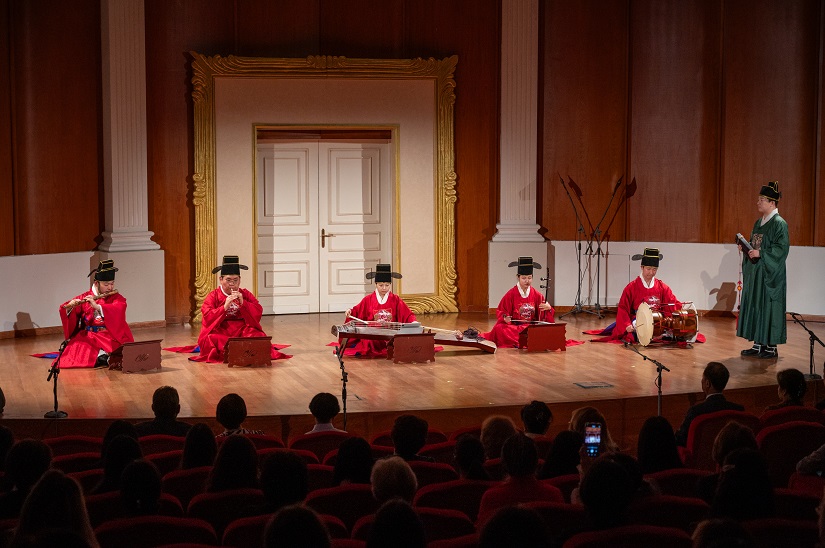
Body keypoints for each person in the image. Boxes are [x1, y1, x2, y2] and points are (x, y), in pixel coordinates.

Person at [192, 255, 289, 363]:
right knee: (211, 338)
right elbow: (207, 316)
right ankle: (240, 353)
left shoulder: (245, 294)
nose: (232, 283)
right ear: (221, 280)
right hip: (221, 329)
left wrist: (243, 303)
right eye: (228, 280)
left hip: (242, 329)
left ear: (240, 280)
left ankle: (246, 353)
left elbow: (258, 311)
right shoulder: (213, 295)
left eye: (235, 280)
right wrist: (224, 307)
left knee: (259, 336)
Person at [737, 181, 789, 359]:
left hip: (770, 275)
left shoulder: (779, 223)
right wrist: (746, 249)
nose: (758, 202)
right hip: (757, 273)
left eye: (762, 200)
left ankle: (771, 347)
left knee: (769, 306)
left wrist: (761, 253)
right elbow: (755, 245)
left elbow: (781, 249)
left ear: (772, 203)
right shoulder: (759, 222)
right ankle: (758, 343)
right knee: (756, 305)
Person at [56, 259, 134, 368]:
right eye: (106, 284)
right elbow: (65, 309)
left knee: (125, 352)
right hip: (90, 336)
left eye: (112, 284)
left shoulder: (117, 298)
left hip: (109, 335)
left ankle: (104, 357)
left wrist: (98, 307)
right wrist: (71, 307)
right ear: (96, 283)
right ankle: (103, 357)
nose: (110, 288)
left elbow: (120, 308)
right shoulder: (84, 297)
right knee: (73, 356)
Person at [597, 248, 682, 342]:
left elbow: (672, 303)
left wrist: (681, 312)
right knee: (636, 329)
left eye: (654, 269)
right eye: (648, 269)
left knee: (671, 328)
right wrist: (627, 324)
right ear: (642, 267)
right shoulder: (631, 287)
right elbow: (623, 308)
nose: (651, 272)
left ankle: (660, 334)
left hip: (658, 320)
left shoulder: (662, 287)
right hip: (638, 320)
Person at [477, 433, 563, 525]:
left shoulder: (491, 498)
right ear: (536, 462)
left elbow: (481, 529)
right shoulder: (553, 495)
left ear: (503, 463)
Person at [343, 263, 416, 358]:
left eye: (387, 285)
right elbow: (357, 311)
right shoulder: (368, 299)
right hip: (374, 334)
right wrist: (350, 311)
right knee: (369, 341)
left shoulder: (396, 300)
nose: (384, 288)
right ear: (376, 284)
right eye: (381, 285)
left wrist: (413, 322)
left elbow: (408, 314)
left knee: (398, 341)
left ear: (390, 285)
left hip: (391, 334)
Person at [481, 256, 554, 348]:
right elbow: (501, 311)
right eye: (524, 278)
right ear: (518, 277)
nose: (527, 281)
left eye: (529, 278)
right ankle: (526, 340)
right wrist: (505, 318)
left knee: (542, 330)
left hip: (530, 327)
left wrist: (548, 308)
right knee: (499, 329)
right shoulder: (511, 294)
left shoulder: (537, 295)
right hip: (515, 327)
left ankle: (525, 340)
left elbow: (543, 317)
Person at [674, 362, 744, 446]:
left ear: (707, 383)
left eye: (703, 378)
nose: (701, 381)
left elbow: (680, 440)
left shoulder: (695, 412)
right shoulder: (739, 410)